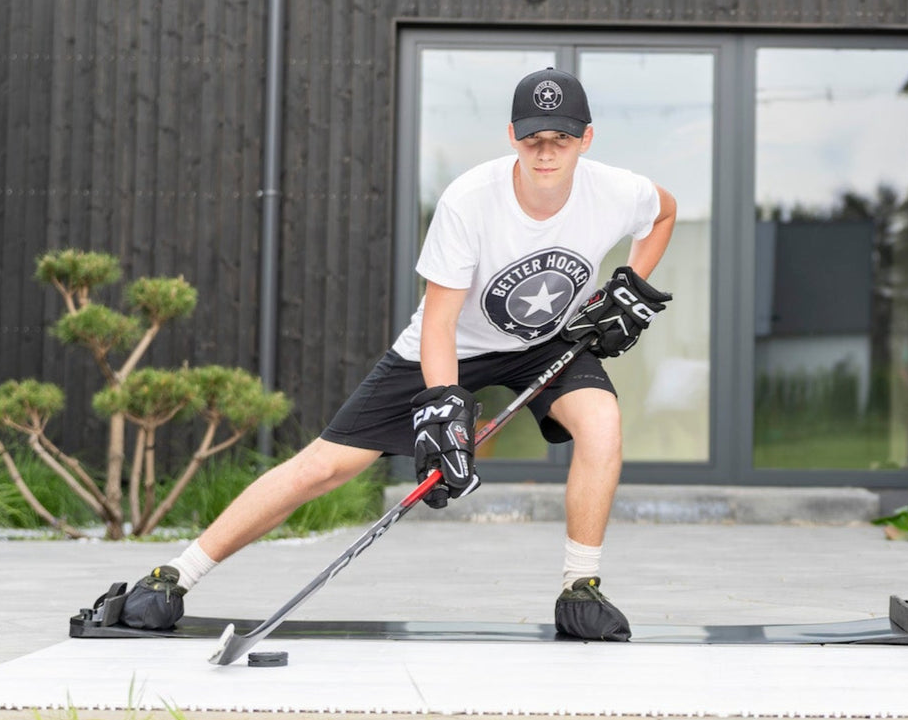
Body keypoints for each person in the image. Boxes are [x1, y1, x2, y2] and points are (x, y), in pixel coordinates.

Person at [120, 66, 676, 641]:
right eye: (533, 138)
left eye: (561, 138)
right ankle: (176, 575)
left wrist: (629, 285)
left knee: (603, 424)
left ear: (586, 139)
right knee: (325, 467)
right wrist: (443, 408)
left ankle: (580, 588)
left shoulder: (617, 191)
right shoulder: (470, 201)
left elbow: (664, 213)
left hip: (545, 343)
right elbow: (440, 323)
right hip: (452, 345)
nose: (546, 152)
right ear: (512, 135)